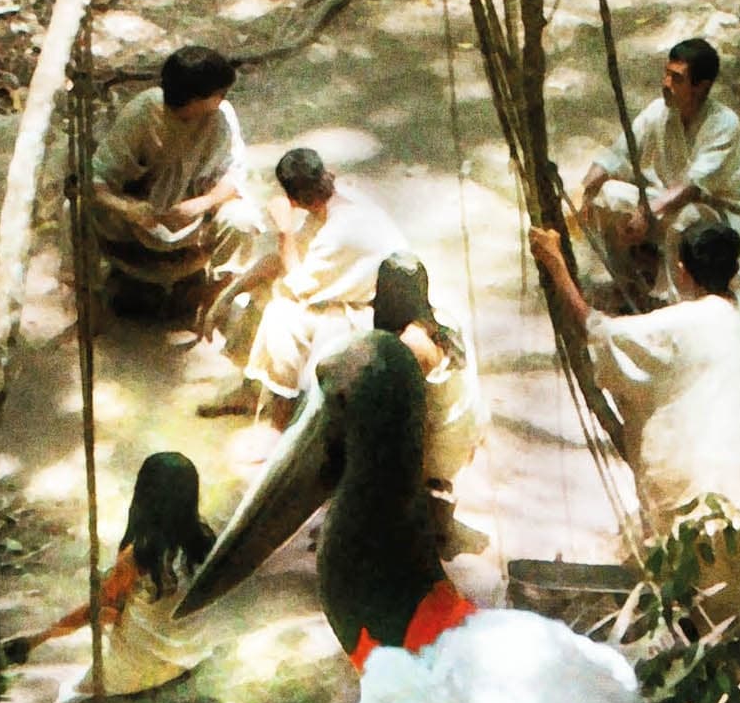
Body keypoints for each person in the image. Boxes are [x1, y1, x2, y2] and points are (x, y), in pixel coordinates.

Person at [531, 215, 740, 606]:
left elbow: (600, 332)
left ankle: (711, 651)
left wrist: (556, 265)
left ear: (682, 271)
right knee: (719, 580)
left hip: (704, 484)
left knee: (710, 600)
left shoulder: (685, 322)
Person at [201, 146, 405, 426]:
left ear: (295, 199)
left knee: (280, 312)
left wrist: (284, 230)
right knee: (265, 287)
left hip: (365, 313)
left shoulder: (340, 231)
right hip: (345, 293)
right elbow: (282, 261)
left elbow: (296, 284)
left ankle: (280, 410)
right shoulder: (332, 201)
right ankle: (251, 388)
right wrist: (230, 294)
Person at [574, 35, 740, 297]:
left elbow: (692, 186)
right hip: (664, 205)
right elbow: (618, 154)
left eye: (677, 78)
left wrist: (647, 211)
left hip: (715, 221)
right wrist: (585, 189)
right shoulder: (658, 111)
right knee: (609, 194)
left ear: (701, 87)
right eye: (667, 74)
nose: (666, 84)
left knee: (687, 216)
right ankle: (627, 285)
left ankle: (676, 300)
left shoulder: (723, 123)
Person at [91, 44, 269, 338]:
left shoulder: (221, 116)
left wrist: (203, 203)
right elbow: (96, 178)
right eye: (218, 93)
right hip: (140, 216)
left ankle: (210, 298)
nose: (223, 99)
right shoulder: (143, 113)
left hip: (197, 216)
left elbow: (233, 174)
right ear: (194, 99)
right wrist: (129, 209)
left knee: (242, 219)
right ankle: (91, 299)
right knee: (75, 209)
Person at [4, 451, 215, 696]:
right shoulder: (205, 541)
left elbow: (97, 612)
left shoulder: (139, 556)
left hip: (142, 671)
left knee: (71, 693)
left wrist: (36, 639)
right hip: (190, 655)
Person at [373, 252, 486, 548]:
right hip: (464, 429)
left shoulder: (411, 345)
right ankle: (429, 495)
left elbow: (406, 415)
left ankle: (422, 502)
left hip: (443, 444)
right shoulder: (442, 317)